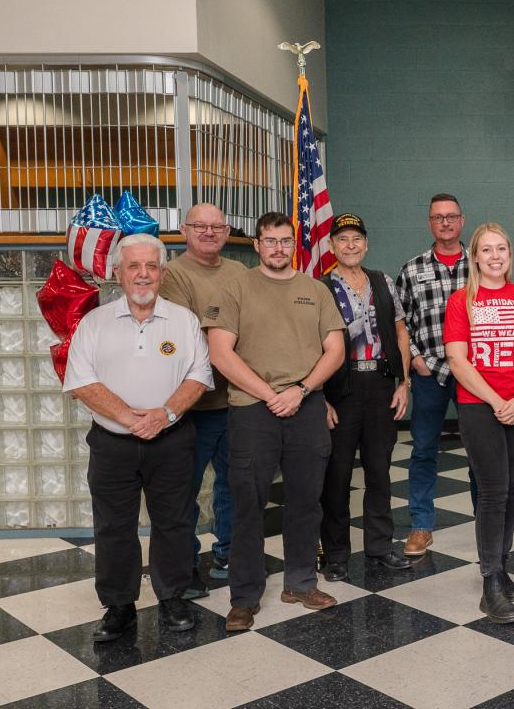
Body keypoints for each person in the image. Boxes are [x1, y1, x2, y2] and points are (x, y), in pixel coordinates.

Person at [64, 234, 213, 642]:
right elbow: (80, 380)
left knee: (175, 521)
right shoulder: (94, 323)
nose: (142, 274)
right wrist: (130, 417)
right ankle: (119, 606)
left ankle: (172, 597)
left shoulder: (183, 320)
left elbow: (199, 375)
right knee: (113, 526)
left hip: (172, 440)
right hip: (113, 444)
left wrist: (164, 414)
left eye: (151, 266)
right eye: (134, 267)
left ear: (162, 273)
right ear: (118, 273)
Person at [205, 211, 347, 632]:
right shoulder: (235, 287)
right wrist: (270, 395)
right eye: (270, 241)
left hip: (305, 406)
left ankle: (300, 583)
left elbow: (335, 350)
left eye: (286, 241)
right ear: (257, 245)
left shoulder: (315, 289)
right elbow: (220, 352)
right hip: (252, 409)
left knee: (306, 499)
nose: (279, 248)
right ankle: (244, 598)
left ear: (294, 243)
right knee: (248, 504)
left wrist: (300, 391)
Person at [444, 222, 514, 624]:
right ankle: (489, 583)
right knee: (492, 491)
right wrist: (497, 400)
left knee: (512, 486)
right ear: (475, 257)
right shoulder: (460, 302)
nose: (495, 256)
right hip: (479, 406)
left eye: (501, 248)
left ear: (509, 253)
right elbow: (457, 360)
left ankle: (501, 566)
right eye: (486, 250)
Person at [318, 213, 413, 580]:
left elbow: (401, 333)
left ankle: (379, 546)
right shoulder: (321, 288)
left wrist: (403, 382)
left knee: (379, 471)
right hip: (340, 389)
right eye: (343, 239)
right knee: (337, 475)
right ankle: (337, 553)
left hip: (380, 387)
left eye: (357, 238)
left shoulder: (382, 282)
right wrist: (320, 398)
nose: (351, 245)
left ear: (366, 243)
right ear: (332, 247)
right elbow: (313, 344)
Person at [159, 203, 246, 598]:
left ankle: (228, 553)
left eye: (217, 226)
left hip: (236, 402)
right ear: (183, 230)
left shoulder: (239, 272)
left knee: (234, 485)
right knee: (185, 490)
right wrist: (228, 331)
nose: (209, 232)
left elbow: (252, 328)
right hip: (192, 407)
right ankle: (187, 562)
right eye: (200, 226)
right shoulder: (172, 274)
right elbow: (190, 333)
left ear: (227, 231)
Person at [396, 193, 472, 557]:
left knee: (479, 450)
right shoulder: (412, 269)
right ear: (430, 223)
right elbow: (400, 323)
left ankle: (486, 523)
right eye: (438, 217)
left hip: (474, 373)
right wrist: (414, 359)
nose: (445, 222)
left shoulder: (483, 264)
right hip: (430, 373)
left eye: (451, 216)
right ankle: (421, 525)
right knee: (424, 449)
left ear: (462, 221)